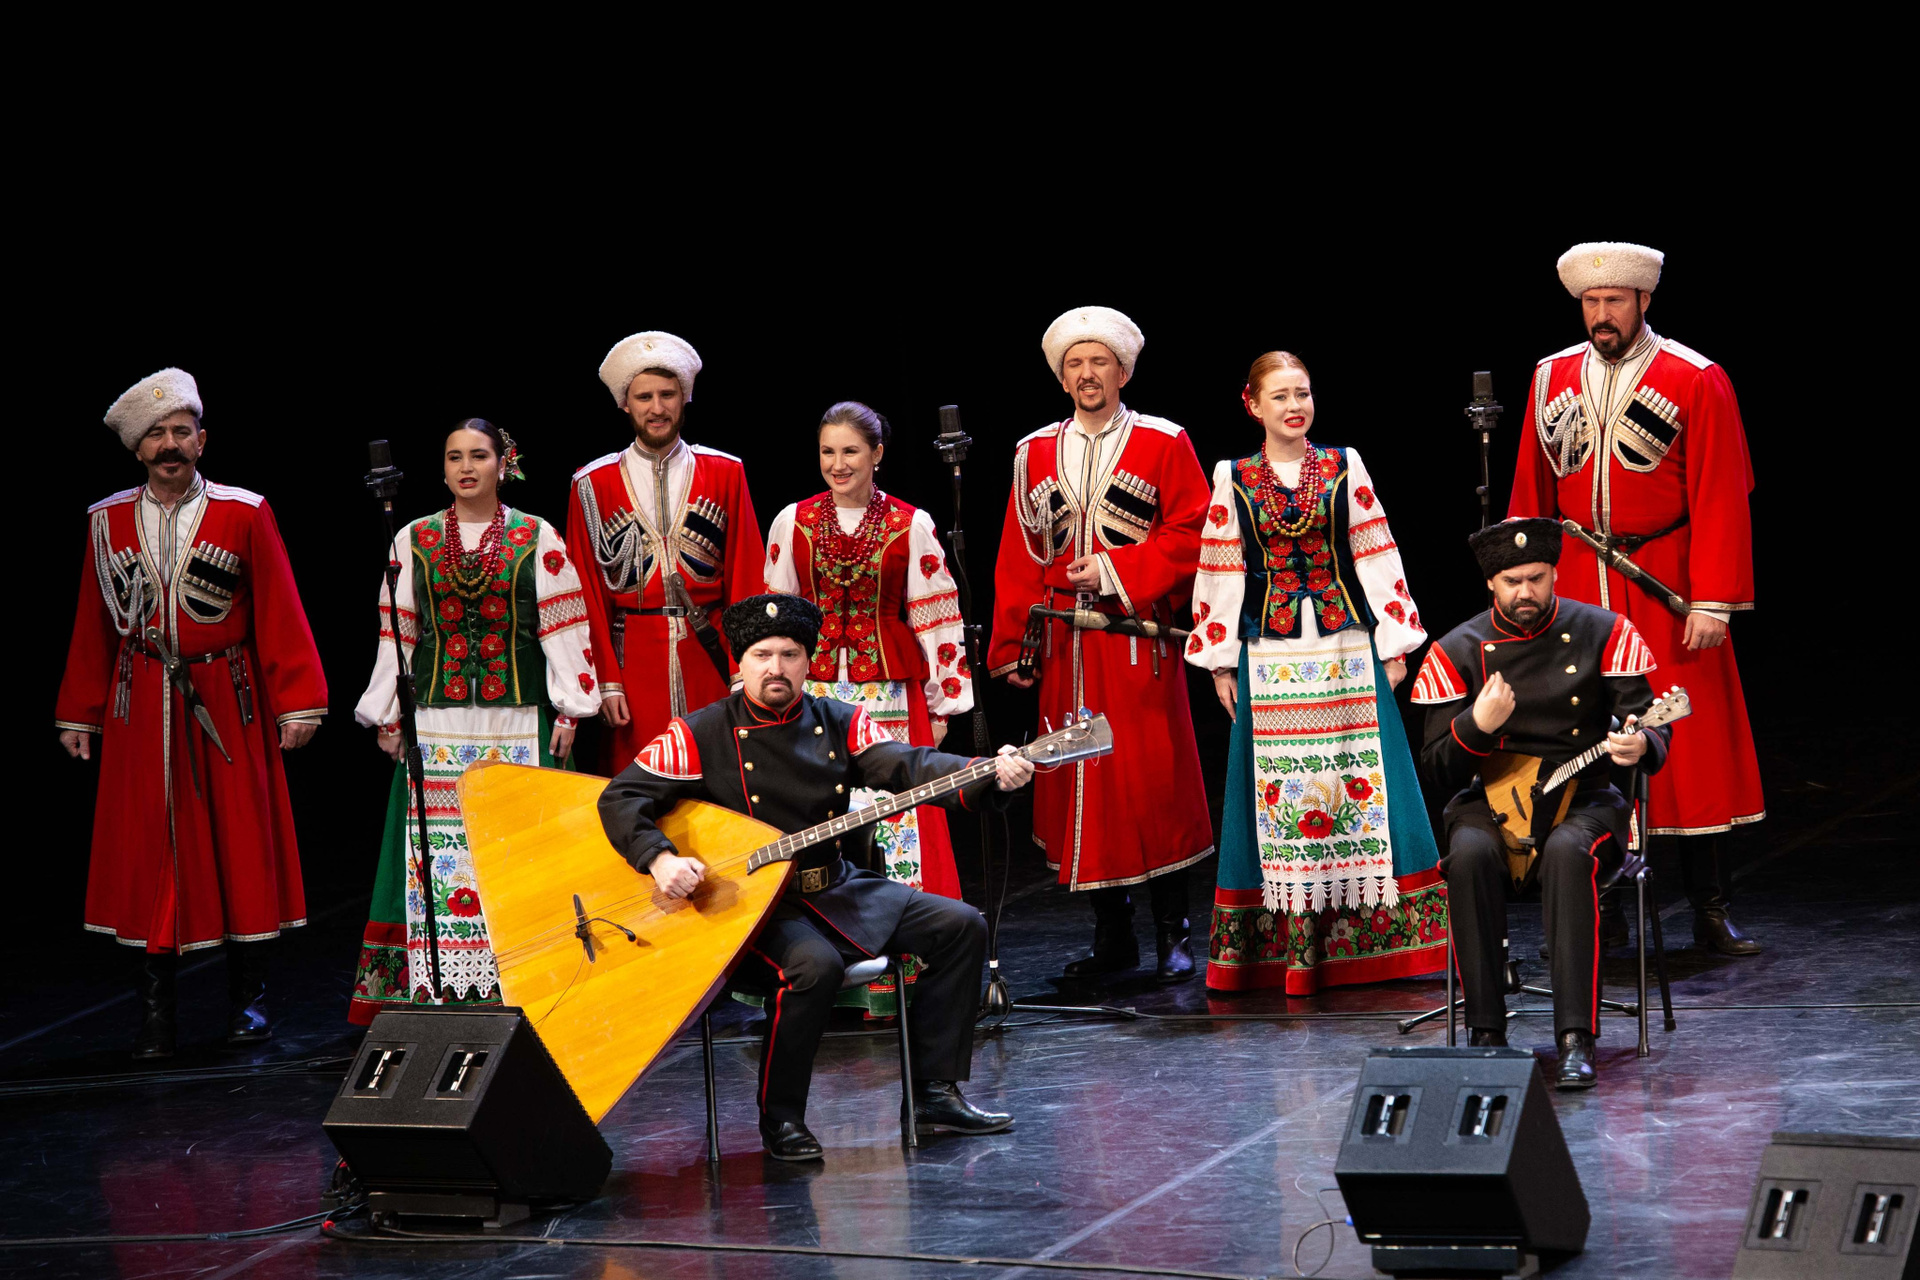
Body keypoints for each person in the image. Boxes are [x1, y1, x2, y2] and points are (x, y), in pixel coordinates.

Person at [599, 593, 1031, 1161]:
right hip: (753, 907)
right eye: (762, 655)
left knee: (961, 925)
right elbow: (620, 797)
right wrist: (660, 858)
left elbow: (910, 764)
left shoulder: (839, 720)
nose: (775, 668)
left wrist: (986, 772)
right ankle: (781, 1119)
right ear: (741, 662)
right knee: (814, 967)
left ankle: (933, 1094)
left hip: (836, 886)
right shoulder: (699, 732)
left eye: (790, 655)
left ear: (808, 662)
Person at [55, 368, 328, 1059]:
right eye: (156, 435)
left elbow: (280, 609)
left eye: (181, 431)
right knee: (149, 852)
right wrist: (79, 711)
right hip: (140, 704)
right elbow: (94, 623)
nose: (170, 444)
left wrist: (298, 700)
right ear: (137, 448)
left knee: (241, 845)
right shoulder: (106, 520)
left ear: (202, 440)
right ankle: (156, 1016)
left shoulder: (245, 512)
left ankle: (249, 1003)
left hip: (227, 699)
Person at [1509, 241, 1763, 957]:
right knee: (1585, 738)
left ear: (1644, 301)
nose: (1602, 315)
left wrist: (1714, 598)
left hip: (1667, 583)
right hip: (1576, 587)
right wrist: (1524, 583)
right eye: (1591, 303)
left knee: (1689, 738)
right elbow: (1530, 490)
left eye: (1614, 301)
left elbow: (1721, 492)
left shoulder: (1695, 376)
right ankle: (1605, 911)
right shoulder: (1551, 376)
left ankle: (1710, 907)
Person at [1185, 351, 1446, 994]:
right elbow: (1221, 565)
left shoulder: (1344, 464)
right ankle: (1288, 950)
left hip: (1345, 647)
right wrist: (1220, 661)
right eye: (1279, 396)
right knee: (1281, 795)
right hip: (1270, 655)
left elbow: (1375, 548)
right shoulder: (1233, 476)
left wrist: (1395, 643)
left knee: (1365, 780)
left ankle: (1391, 948)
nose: (1294, 406)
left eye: (1301, 393)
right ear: (1253, 405)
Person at [987, 306, 1214, 981]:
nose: (1088, 374)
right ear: (1062, 378)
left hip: (1137, 641)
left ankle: (1173, 933)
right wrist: (1015, 644)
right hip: (1065, 647)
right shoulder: (1032, 451)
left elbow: (1195, 533)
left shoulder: (1165, 441)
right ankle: (1113, 937)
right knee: (1080, 779)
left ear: (1123, 372)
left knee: (1152, 785)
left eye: (1100, 362)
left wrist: (1116, 570)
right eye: (1075, 364)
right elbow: (1020, 552)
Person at [347, 420, 601, 1024]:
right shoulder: (413, 539)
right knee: (434, 857)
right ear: (442, 470)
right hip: (437, 723)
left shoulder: (536, 536)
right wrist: (388, 715)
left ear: (502, 464)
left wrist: (571, 707)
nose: (466, 467)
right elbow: (398, 632)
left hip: (520, 721)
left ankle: (533, 981)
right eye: (454, 457)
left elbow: (563, 624)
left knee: (523, 850)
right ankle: (437, 985)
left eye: (479, 456)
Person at [1412, 518, 1671, 1089]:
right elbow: (1437, 770)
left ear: (1554, 573)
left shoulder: (1604, 630)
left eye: (1536, 578)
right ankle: (1485, 1033)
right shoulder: (1456, 649)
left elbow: (1651, 725)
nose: (1525, 592)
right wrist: (1477, 726)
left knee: (1567, 853)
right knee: (1470, 854)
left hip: (1585, 800)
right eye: (1512, 582)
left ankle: (1576, 1038)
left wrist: (1641, 744)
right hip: (1491, 802)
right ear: (1491, 583)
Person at [763, 401, 971, 1016]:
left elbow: (936, 614)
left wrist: (942, 701)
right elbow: (775, 614)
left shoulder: (911, 523)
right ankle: (825, 973)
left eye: (850, 451)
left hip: (890, 696)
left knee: (895, 822)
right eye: (827, 452)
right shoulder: (793, 522)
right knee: (822, 822)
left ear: (877, 455)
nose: (838, 464)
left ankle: (899, 975)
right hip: (816, 699)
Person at [569, 331, 765, 772]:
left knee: (719, 777)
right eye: (644, 397)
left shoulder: (726, 472)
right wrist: (608, 681)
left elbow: (747, 575)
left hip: (710, 654)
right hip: (633, 663)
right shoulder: (591, 484)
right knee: (638, 783)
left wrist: (744, 667)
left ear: (685, 398)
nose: (656, 408)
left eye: (667, 395)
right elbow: (588, 594)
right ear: (625, 404)